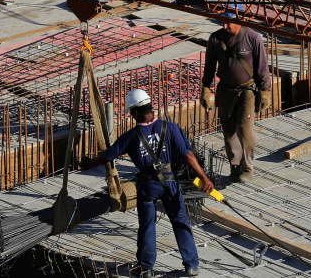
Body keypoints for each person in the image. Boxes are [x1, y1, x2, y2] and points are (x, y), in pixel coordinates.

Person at [81, 88, 213, 278]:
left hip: (148, 186)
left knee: (147, 225)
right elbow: (188, 155)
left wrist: (88, 164)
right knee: (180, 221)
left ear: (134, 112)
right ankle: (191, 265)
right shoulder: (170, 128)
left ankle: (146, 268)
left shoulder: (132, 136)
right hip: (170, 182)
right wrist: (205, 178)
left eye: (131, 113)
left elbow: (108, 156)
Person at [201, 9, 272, 183]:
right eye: (222, 22)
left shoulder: (252, 38)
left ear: (239, 20)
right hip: (225, 90)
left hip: (247, 90)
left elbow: (262, 67)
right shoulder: (216, 39)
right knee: (229, 130)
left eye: (229, 22)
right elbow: (209, 66)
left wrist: (265, 91)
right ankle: (235, 166)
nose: (225, 26)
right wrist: (205, 89)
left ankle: (247, 168)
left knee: (245, 129)